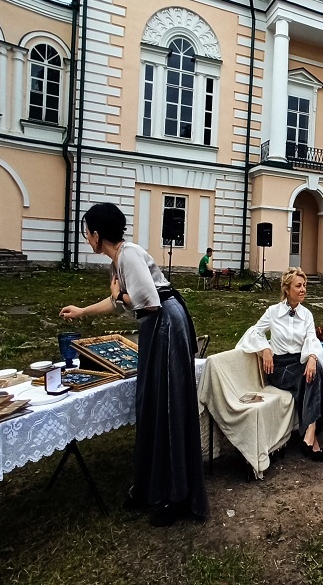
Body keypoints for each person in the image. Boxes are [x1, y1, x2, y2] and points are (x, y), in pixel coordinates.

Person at [59, 202, 208, 527]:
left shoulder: (128, 255)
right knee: (152, 404)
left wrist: (118, 296)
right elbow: (124, 300)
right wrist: (83, 311)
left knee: (167, 405)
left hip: (166, 325)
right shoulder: (120, 259)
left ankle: (176, 494)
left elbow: (148, 302)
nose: (87, 238)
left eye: (87, 232)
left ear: (97, 234)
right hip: (159, 326)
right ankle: (152, 487)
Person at [237, 267, 323, 462]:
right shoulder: (273, 312)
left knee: (313, 371)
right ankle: (312, 436)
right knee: (311, 375)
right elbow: (255, 332)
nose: (303, 289)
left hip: (298, 363)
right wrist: (265, 348)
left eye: (304, 285)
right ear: (287, 289)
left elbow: (311, 339)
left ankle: (310, 434)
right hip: (279, 369)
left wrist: (312, 357)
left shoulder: (307, 315)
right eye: (298, 286)